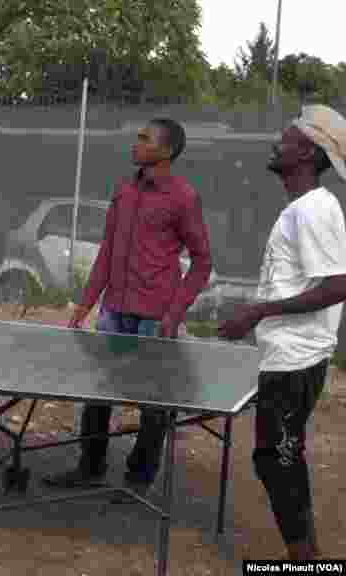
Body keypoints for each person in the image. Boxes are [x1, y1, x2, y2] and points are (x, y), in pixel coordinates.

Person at [42, 118, 213, 501]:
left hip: (154, 316)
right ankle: (90, 467)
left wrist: (174, 313)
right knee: (98, 391)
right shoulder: (124, 190)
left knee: (153, 401)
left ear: (166, 151)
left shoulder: (184, 197)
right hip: (113, 309)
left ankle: (138, 479)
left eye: (144, 139)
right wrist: (86, 303)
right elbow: (107, 250)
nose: (135, 143)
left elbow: (203, 262)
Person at [218, 104, 346, 561]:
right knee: (283, 459)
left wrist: (257, 312)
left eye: (287, 137)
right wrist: (258, 312)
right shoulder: (303, 208)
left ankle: (308, 564)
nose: (277, 141)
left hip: (296, 359)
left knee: (277, 461)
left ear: (308, 153)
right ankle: (309, 558)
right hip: (288, 357)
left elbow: (339, 286)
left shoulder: (313, 210)